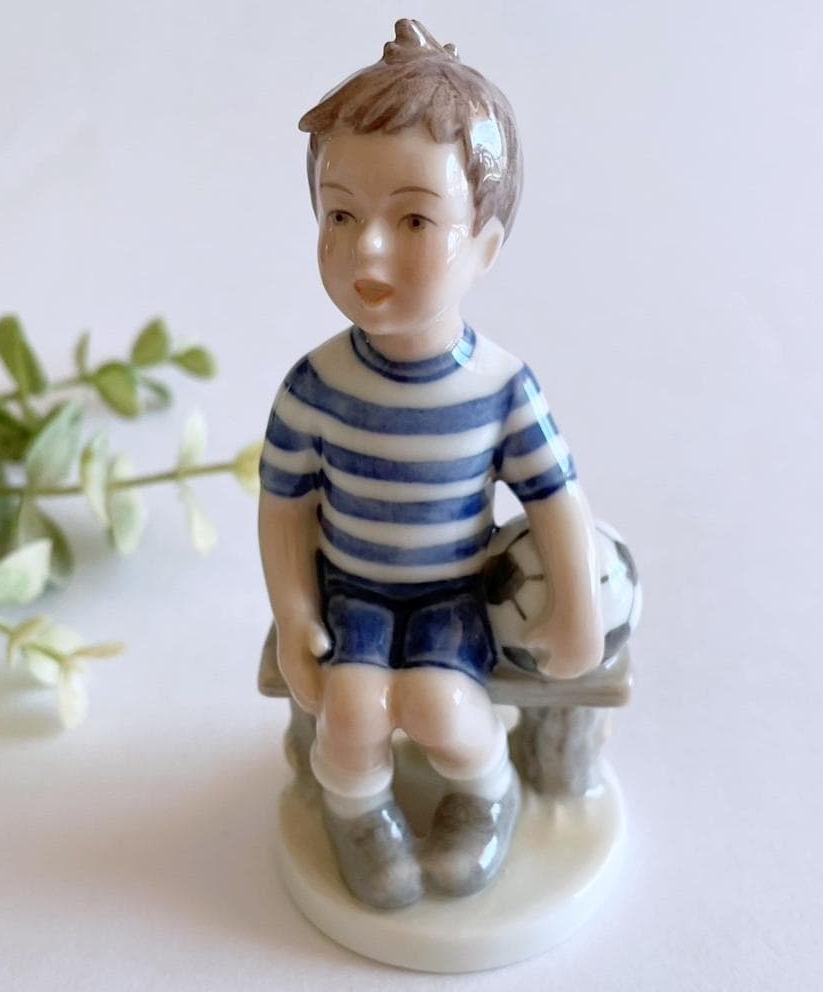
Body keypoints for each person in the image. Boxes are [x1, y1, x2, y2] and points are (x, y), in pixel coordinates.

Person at [258, 19, 605, 910]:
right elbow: (283, 506)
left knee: (444, 712)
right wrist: (295, 614)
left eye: (414, 218)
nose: (367, 249)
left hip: (454, 596)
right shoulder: (315, 387)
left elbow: (556, 499)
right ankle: (358, 815)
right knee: (350, 712)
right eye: (341, 214)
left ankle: (486, 797)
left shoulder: (500, 388)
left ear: (485, 246)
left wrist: (577, 614)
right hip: (354, 594)